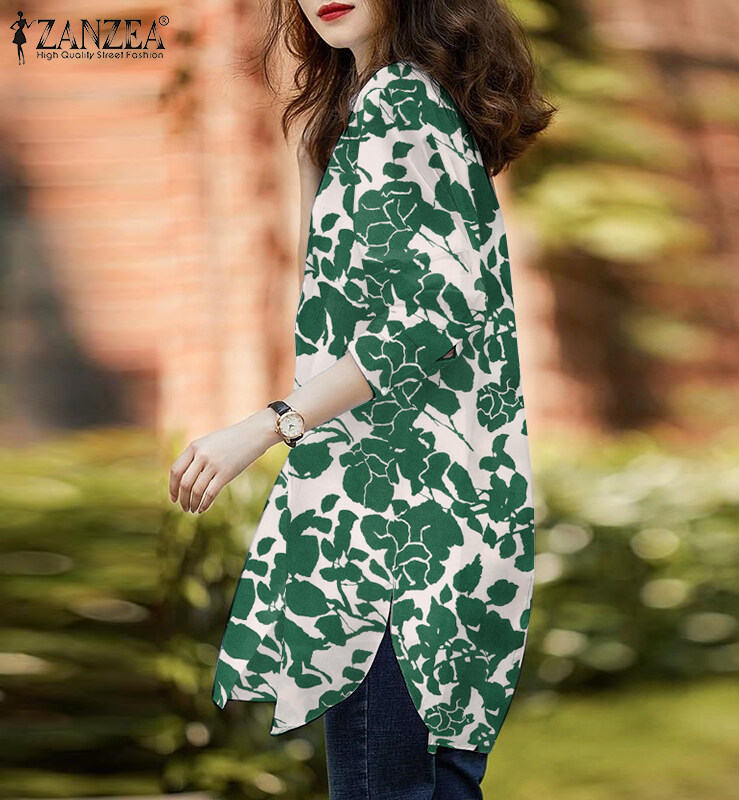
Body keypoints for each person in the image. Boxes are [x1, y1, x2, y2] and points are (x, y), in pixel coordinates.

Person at [169, 1, 555, 797]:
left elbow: (433, 314)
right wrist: (312, 153)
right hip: (435, 533)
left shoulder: (401, 102)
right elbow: (336, 318)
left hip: (396, 549)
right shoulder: (396, 108)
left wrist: (268, 425)